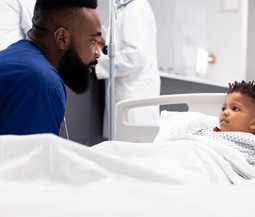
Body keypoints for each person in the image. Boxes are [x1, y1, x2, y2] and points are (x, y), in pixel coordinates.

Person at [0, 0, 102, 136]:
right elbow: (32, 156)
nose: (97, 53)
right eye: (93, 41)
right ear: (62, 37)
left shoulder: (18, 55)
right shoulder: (42, 83)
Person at [94, 0, 161, 136]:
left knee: (132, 144)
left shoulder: (135, 8)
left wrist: (99, 59)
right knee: (121, 143)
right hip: (127, 92)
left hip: (134, 93)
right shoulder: (123, 8)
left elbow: (134, 57)